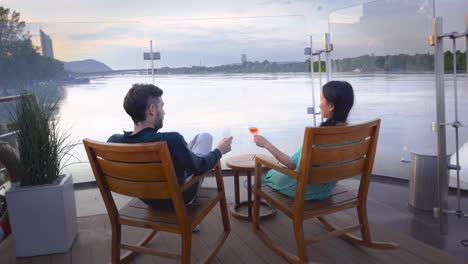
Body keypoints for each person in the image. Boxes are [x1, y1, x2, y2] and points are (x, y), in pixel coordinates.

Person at [108, 83, 233, 209]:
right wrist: (219, 151)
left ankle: (187, 155)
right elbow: (200, 167)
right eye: (161, 107)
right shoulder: (172, 140)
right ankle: (186, 216)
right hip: (180, 197)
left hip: (147, 198)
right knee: (206, 138)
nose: (164, 112)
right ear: (152, 110)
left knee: (199, 140)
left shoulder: (114, 142)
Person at [253, 80, 354, 200]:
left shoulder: (318, 136)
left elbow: (292, 164)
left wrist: (266, 144)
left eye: (321, 99)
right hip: (326, 189)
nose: (319, 103)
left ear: (331, 106)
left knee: (267, 176)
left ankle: (265, 207)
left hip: (303, 191)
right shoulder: (353, 134)